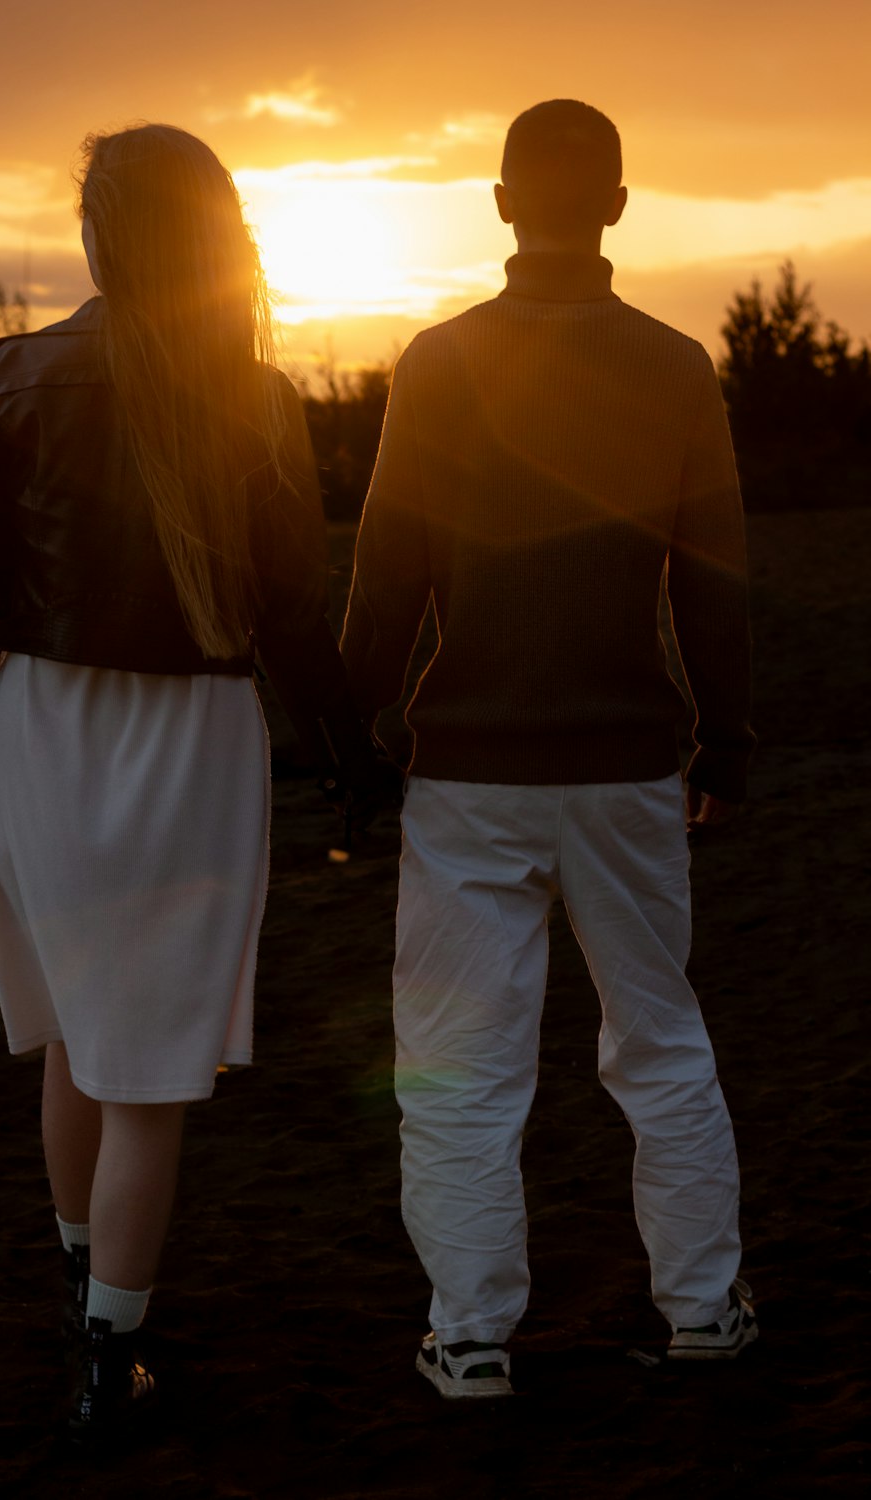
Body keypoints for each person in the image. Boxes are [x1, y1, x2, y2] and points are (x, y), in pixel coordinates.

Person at [0, 123, 385, 1439]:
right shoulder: (256, 400)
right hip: (192, 747)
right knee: (145, 1077)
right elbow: (297, 617)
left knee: (81, 1039)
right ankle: (107, 1356)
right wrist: (353, 767)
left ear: (97, 237)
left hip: (39, 731)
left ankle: (91, 1299)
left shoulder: (11, 381)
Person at [341, 99, 758, 1398]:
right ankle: (702, 1312)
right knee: (662, 1043)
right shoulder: (678, 366)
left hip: (468, 771)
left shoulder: (437, 362)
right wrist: (724, 741)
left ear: (504, 203)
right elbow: (715, 582)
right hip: (630, 764)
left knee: (461, 1067)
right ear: (618, 208)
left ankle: (470, 1340)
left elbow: (386, 574)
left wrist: (356, 742)